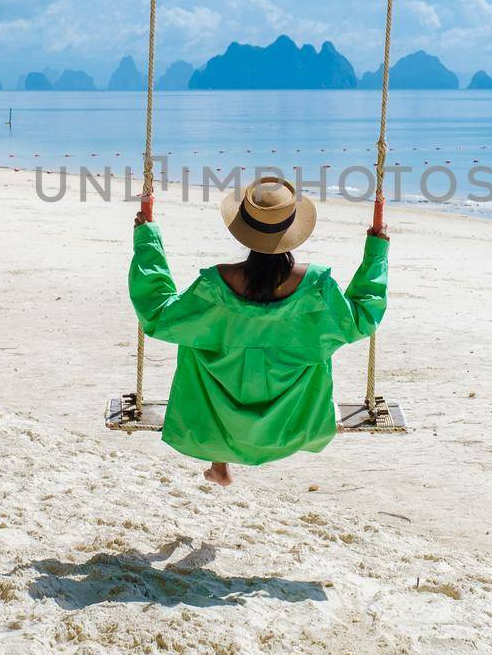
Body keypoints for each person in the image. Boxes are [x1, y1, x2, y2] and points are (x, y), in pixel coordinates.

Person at [128, 176, 389, 486]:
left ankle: (219, 458)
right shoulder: (316, 290)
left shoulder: (215, 288)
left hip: (220, 420)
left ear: (245, 232)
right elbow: (363, 317)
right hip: (290, 425)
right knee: (239, 348)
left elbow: (157, 315)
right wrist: (377, 252)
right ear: (293, 231)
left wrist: (147, 242)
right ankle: (221, 461)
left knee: (202, 346)